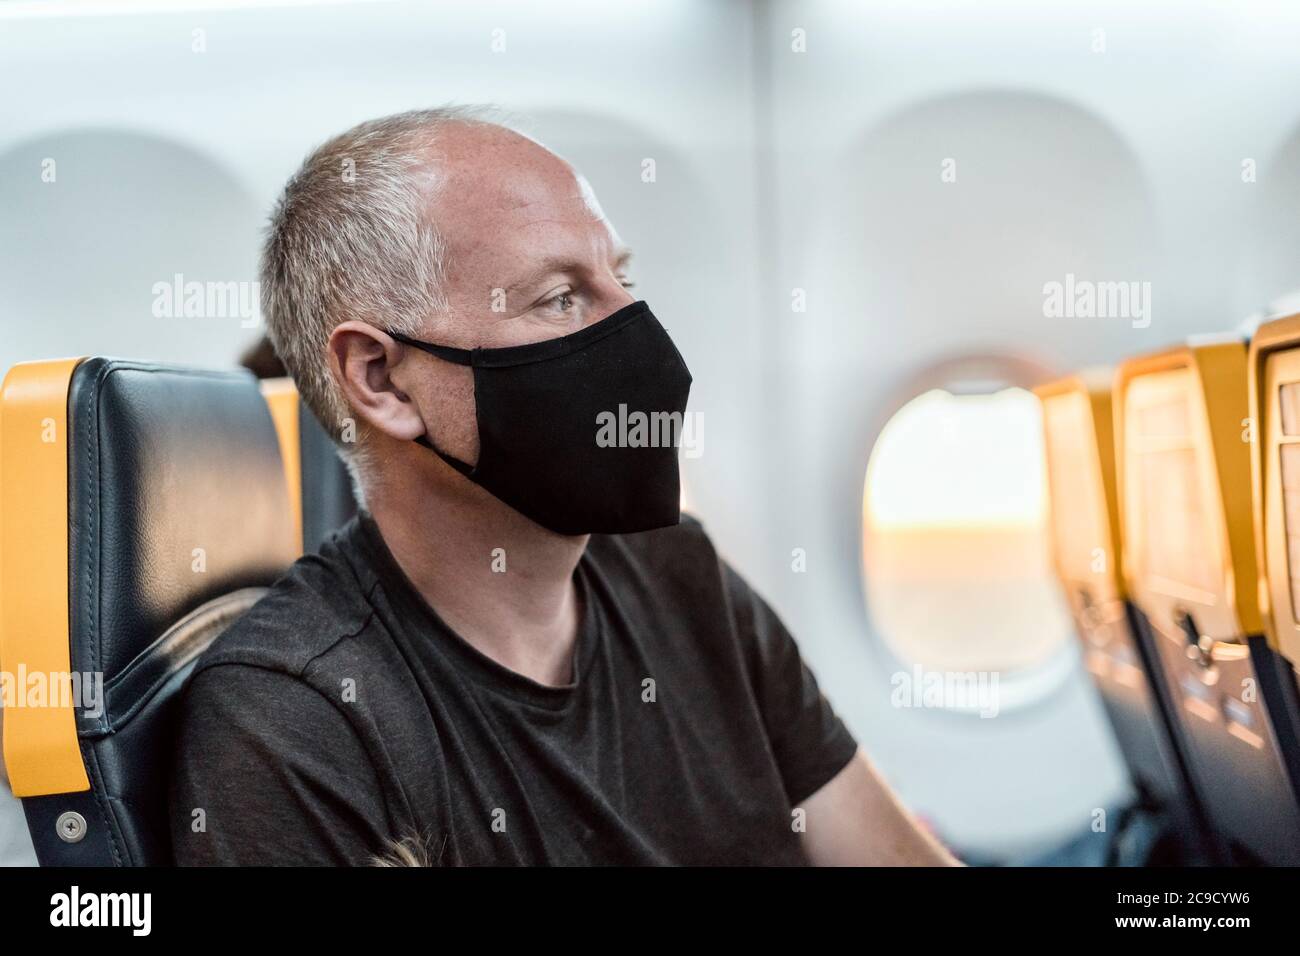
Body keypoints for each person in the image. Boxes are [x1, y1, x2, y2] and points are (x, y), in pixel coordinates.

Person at [169, 106, 958, 866]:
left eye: (619, 279)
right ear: (383, 380)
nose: (638, 332)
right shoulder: (296, 716)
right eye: (560, 298)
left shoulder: (681, 576)